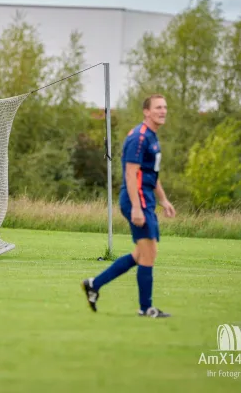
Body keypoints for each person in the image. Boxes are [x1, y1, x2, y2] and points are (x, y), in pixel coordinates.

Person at [81, 94, 176, 317]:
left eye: (164, 107)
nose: (163, 111)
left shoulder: (152, 137)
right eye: (158, 107)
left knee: (141, 253)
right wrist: (136, 207)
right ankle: (146, 308)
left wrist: (163, 200)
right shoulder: (138, 138)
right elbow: (131, 174)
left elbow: (151, 174)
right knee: (149, 253)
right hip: (137, 200)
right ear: (146, 111)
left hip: (146, 199)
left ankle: (94, 284)